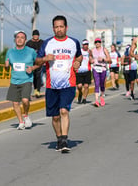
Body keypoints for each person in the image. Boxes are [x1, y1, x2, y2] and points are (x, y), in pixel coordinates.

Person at [35, 15, 83, 153]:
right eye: (56, 27)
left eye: (61, 26)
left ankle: (64, 140)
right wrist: (45, 58)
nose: (59, 29)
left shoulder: (73, 42)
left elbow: (79, 55)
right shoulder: (48, 43)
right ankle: (58, 138)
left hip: (68, 83)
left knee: (64, 111)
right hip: (52, 85)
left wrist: (78, 62)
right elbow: (37, 61)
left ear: (66, 27)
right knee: (55, 116)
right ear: (53, 28)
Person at [5, 30, 38, 130]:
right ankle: (21, 122)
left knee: (25, 100)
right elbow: (7, 67)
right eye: (17, 37)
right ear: (15, 40)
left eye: (22, 37)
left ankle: (26, 115)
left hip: (27, 79)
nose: (19, 39)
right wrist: (6, 66)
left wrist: (32, 68)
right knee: (15, 103)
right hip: (14, 80)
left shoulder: (31, 51)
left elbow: (39, 63)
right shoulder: (10, 52)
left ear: (25, 40)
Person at [90, 38, 111, 107]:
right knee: (96, 83)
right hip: (95, 68)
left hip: (103, 68)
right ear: (94, 43)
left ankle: (101, 96)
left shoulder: (104, 49)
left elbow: (109, 59)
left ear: (100, 43)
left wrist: (103, 59)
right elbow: (90, 57)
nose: (97, 43)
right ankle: (96, 100)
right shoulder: (92, 50)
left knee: (102, 83)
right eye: (96, 42)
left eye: (99, 42)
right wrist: (91, 60)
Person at [26, 29, 44, 98]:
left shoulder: (42, 42)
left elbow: (45, 51)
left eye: (37, 35)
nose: (36, 36)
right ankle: (35, 89)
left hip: (39, 61)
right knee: (33, 76)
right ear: (32, 36)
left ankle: (38, 91)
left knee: (38, 75)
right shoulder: (29, 43)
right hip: (31, 62)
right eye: (34, 35)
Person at [76, 39, 91, 104]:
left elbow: (91, 59)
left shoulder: (89, 51)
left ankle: (84, 98)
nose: (86, 45)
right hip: (79, 71)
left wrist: (91, 58)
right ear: (82, 45)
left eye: (87, 44)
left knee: (86, 86)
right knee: (79, 86)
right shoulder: (79, 51)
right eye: (84, 44)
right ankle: (80, 93)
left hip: (87, 70)